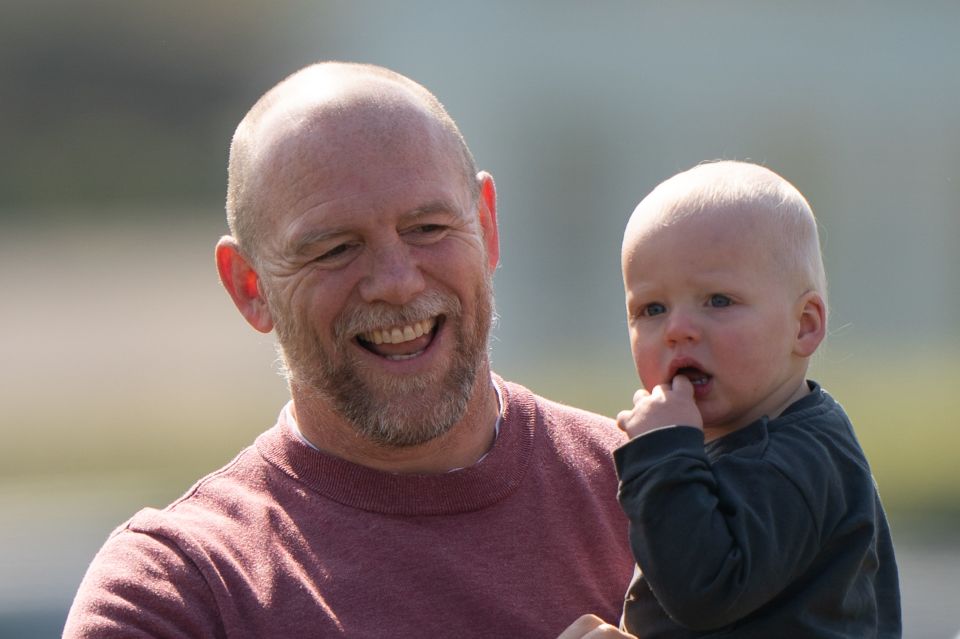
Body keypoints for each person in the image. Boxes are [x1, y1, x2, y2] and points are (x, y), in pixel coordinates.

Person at [63, 62, 635, 638]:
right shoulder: (177, 593)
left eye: (428, 228)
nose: (397, 281)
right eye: (335, 249)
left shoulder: (660, 497)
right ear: (249, 287)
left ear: (486, 226)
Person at [613, 161, 901, 637]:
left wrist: (660, 457)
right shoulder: (751, 439)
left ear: (804, 324)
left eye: (718, 301)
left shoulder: (794, 462)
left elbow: (702, 590)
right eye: (652, 309)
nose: (677, 329)